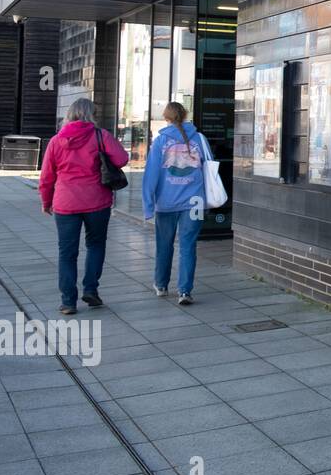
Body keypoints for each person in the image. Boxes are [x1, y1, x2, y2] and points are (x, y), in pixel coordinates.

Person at [39, 98, 129, 315]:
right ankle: (91, 290)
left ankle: (68, 302)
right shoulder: (101, 135)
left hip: (65, 203)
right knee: (95, 245)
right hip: (96, 201)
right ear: (91, 114)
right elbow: (123, 158)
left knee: (67, 253)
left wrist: (46, 201)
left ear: (70, 114)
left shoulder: (56, 141)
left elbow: (47, 177)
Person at [142, 101, 207, 305]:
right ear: (185, 115)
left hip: (166, 202)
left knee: (164, 244)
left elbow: (150, 174)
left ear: (167, 118)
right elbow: (210, 168)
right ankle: (185, 291)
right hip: (195, 202)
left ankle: (161, 285)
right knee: (188, 246)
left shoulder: (161, 142)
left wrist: (148, 205)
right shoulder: (200, 138)